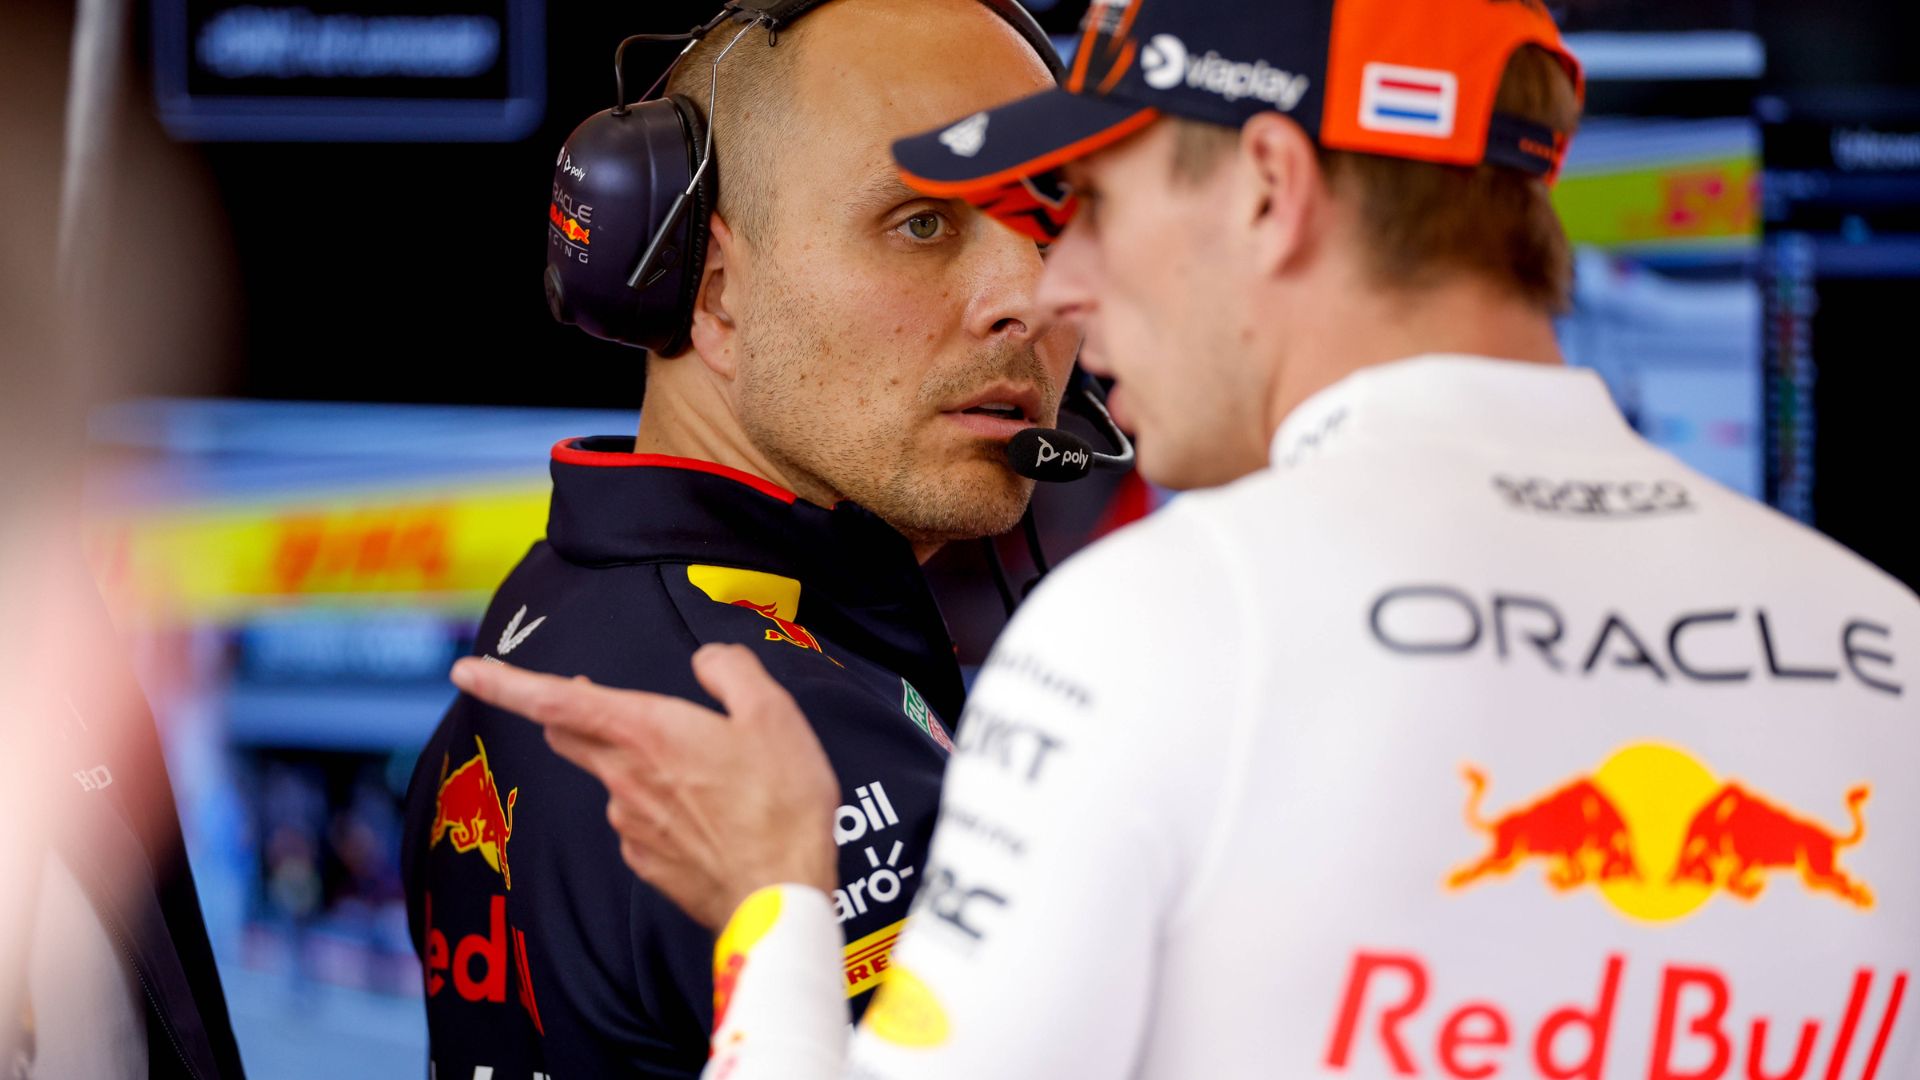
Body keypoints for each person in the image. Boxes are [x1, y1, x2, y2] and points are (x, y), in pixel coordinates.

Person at [452, 0, 1920, 1076]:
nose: (1056, 289)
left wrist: (776, 912)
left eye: (1085, 206)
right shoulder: (1887, 642)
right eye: (932, 224)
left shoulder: (1147, 631)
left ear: (1273, 192)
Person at [399, 0, 1078, 1076]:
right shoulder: (800, 747)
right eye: (922, 224)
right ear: (713, 291)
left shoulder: (561, 595)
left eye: (1053, 224)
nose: (1033, 297)